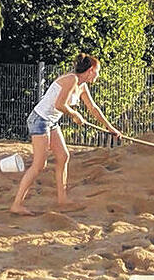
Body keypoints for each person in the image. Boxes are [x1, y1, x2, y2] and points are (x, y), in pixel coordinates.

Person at [10, 53, 121, 216]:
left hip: (51, 121)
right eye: (97, 71)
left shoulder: (82, 85)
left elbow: (93, 108)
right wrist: (75, 115)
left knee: (63, 156)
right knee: (39, 165)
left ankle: (62, 200)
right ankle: (16, 204)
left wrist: (111, 128)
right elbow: (59, 104)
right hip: (40, 120)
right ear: (90, 70)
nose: (98, 74)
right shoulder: (72, 80)